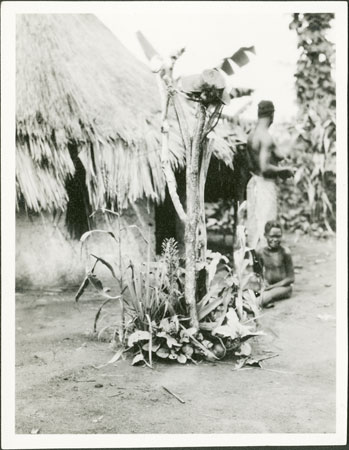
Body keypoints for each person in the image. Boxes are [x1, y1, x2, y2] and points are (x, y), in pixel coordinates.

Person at [246, 100, 294, 249]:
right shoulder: (266, 137)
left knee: (254, 225)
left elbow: (275, 155)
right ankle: (265, 266)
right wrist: (283, 171)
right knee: (267, 225)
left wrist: (281, 158)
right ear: (271, 115)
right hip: (265, 185)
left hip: (253, 182)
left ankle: (255, 266)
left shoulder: (252, 135)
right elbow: (265, 167)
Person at [257, 220, 295, 308]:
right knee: (251, 293)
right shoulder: (260, 252)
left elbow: (291, 278)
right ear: (265, 235)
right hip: (267, 287)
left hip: (284, 287)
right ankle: (266, 302)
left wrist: (272, 287)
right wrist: (263, 283)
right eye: (272, 236)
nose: (275, 239)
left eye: (278, 236)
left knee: (265, 296)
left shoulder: (285, 252)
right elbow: (257, 273)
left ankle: (256, 305)